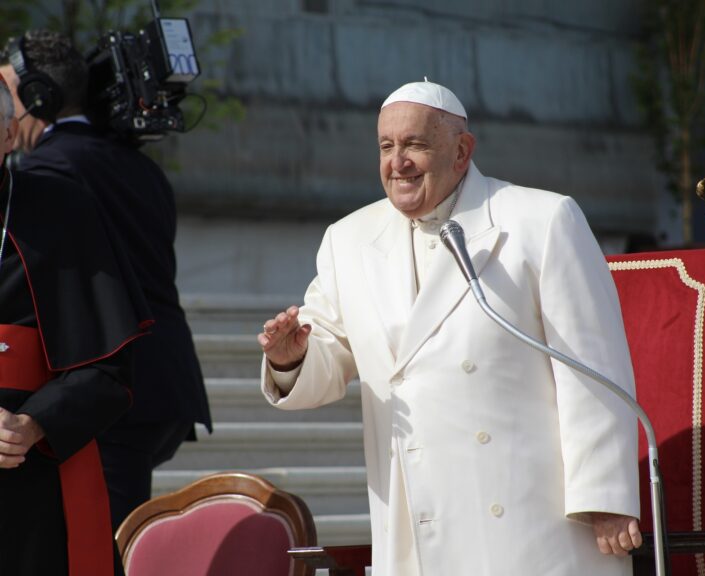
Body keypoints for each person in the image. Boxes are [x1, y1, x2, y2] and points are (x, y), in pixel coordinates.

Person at [258, 80, 642, 575]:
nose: (398, 162)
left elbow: (590, 366)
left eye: (415, 144)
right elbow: (327, 355)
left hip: (527, 518)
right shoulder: (348, 240)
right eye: (386, 147)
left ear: (462, 150)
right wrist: (290, 359)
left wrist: (605, 495)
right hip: (417, 516)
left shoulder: (539, 220)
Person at [0, 29, 213, 530]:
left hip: (106, 381)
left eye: (10, 93)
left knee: (98, 540)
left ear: (37, 99)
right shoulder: (141, 165)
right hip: (166, 383)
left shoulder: (47, 174)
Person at [0, 72, 150, 575]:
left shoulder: (61, 210)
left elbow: (108, 368)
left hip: (38, 489)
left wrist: (32, 422)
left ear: (8, 134)